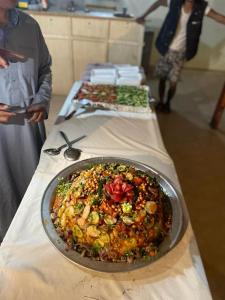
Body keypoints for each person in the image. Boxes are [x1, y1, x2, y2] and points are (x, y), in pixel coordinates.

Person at [0, 0, 52, 241]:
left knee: (32, 190)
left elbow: (44, 68)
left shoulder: (30, 25)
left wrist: (41, 99)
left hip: (28, 129)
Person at [136, 0, 225, 112]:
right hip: (166, 48)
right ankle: (161, 101)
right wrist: (143, 16)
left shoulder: (201, 7)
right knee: (162, 78)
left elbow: (218, 17)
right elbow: (158, 3)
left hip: (181, 53)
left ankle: (167, 103)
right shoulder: (173, 2)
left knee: (173, 82)